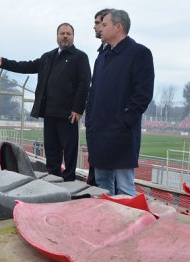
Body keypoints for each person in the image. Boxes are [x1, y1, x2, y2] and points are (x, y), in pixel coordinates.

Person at [0, 23, 91, 181]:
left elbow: (84, 84)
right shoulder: (48, 57)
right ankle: (54, 177)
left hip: (68, 114)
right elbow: (27, 66)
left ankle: (69, 179)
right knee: (51, 149)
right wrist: (4, 63)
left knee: (69, 150)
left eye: (68, 33)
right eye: (62, 33)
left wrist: (77, 109)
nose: (65, 36)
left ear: (73, 37)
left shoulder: (80, 57)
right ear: (57, 36)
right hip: (48, 112)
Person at [85, 9, 155, 196]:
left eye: (105, 25)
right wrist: (90, 120)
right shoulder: (102, 57)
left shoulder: (140, 53)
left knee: (125, 188)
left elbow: (143, 94)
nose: (101, 28)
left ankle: (130, 223)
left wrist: (124, 121)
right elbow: (93, 93)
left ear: (118, 27)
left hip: (121, 134)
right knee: (101, 186)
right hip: (99, 133)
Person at [87, 8, 111, 186]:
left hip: (107, 123)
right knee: (96, 171)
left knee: (109, 177)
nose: (95, 27)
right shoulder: (100, 54)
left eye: (99, 23)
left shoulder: (114, 54)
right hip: (95, 121)